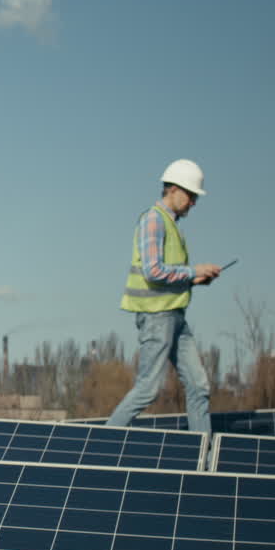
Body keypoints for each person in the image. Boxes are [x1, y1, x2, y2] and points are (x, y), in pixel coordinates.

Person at [107, 159, 222, 433]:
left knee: (198, 386)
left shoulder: (171, 225)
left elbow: (168, 276)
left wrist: (195, 280)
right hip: (157, 317)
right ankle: (99, 441)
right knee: (148, 389)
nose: (194, 202)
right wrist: (193, 271)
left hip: (175, 315)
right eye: (191, 195)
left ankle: (201, 458)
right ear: (173, 189)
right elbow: (153, 270)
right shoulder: (153, 220)